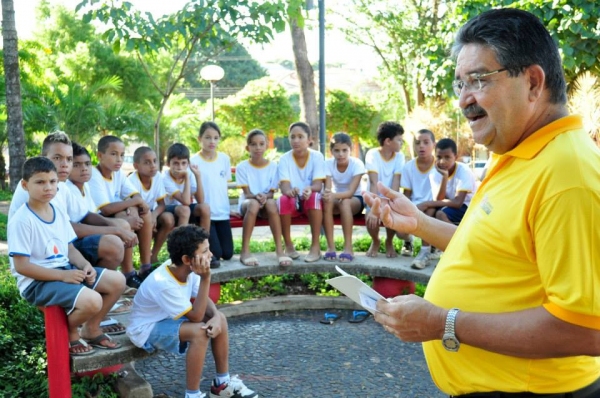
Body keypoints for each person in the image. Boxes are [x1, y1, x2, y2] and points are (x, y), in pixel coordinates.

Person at [364, 8, 600, 397]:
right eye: (460, 84)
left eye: (478, 80)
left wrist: (444, 323)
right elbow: (496, 252)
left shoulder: (567, 175)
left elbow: (587, 328)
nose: (463, 100)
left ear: (533, 82)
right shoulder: (516, 152)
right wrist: (420, 224)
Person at [8, 157, 126, 356]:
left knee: (117, 281)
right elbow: (22, 267)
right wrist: (63, 277)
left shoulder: (57, 211)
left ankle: (91, 328)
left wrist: (84, 265)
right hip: (36, 283)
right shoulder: (22, 220)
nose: (48, 188)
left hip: (65, 270)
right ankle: (70, 331)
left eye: (53, 182)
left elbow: (69, 247)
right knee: (93, 301)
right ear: (25, 185)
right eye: (40, 182)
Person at [126, 225, 258, 398]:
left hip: (167, 317)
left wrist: (217, 316)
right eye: (205, 251)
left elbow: (202, 299)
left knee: (221, 319)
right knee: (200, 333)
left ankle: (222, 384)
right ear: (187, 259)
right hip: (145, 329)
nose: (210, 255)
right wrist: (206, 278)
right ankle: (193, 394)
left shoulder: (187, 268)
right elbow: (196, 317)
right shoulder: (163, 283)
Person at [8, 132, 125, 271]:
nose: (64, 164)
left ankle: (97, 280)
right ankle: (87, 286)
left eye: (69, 159)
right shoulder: (38, 187)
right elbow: (69, 228)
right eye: (57, 158)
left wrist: (116, 225)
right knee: (113, 244)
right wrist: (115, 230)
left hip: (60, 247)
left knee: (120, 228)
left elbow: (84, 215)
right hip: (42, 260)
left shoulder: (61, 186)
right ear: (43, 158)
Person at [88, 135, 152, 289]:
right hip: (97, 220)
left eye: (122, 155)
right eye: (113, 154)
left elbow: (135, 195)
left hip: (114, 215)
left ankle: (145, 267)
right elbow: (106, 208)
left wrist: (133, 208)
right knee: (125, 220)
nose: (119, 159)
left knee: (146, 215)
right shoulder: (93, 175)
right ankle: (128, 273)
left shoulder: (118, 174)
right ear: (100, 155)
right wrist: (133, 204)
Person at [235, 129, 289, 267]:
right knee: (253, 204)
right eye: (253, 144)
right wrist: (256, 196)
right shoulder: (242, 167)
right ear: (248, 148)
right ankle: (245, 251)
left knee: (272, 203)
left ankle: (279, 250)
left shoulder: (273, 166)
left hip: (265, 203)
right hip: (248, 204)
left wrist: (265, 196)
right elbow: (246, 194)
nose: (257, 147)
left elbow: (271, 193)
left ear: (266, 145)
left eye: (261, 144)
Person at [277, 121, 326, 263]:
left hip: (309, 200)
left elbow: (318, 184)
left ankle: (315, 247)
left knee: (315, 197)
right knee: (282, 200)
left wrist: (309, 189)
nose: (296, 140)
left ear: (309, 140)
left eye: (300, 136)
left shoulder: (317, 156)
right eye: (292, 137)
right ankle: (288, 245)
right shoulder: (284, 158)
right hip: (293, 201)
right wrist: (290, 191)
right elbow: (284, 186)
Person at [190, 122, 234, 269]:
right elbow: (194, 191)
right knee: (217, 253)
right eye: (208, 137)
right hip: (206, 215)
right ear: (199, 138)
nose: (212, 141)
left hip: (222, 213)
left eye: (216, 138)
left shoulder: (224, 159)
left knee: (227, 253)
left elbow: (223, 186)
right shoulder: (193, 162)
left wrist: (228, 208)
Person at [322, 132, 366, 262]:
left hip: (355, 200)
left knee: (345, 202)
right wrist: (329, 195)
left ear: (350, 150)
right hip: (337, 199)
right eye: (337, 150)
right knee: (327, 202)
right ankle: (331, 247)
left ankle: (348, 247)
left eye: (344, 150)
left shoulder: (357, 164)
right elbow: (328, 188)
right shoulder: (328, 164)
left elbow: (351, 192)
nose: (340, 154)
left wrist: (333, 195)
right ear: (331, 151)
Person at [364, 121, 405, 258]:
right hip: (374, 195)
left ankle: (389, 241)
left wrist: (387, 203)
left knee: (391, 210)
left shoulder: (400, 157)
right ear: (388, 141)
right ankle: (375, 241)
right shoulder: (372, 154)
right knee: (371, 215)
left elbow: (395, 184)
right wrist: (375, 207)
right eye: (399, 140)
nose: (401, 143)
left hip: (390, 196)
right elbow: (373, 183)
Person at [128, 146, 174, 267]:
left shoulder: (157, 176)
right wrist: (149, 220)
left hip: (151, 213)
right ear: (136, 166)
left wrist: (153, 216)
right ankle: (138, 264)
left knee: (168, 219)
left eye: (154, 161)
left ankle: (153, 255)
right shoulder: (131, 180)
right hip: (136, 216)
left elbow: (162, 205)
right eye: (147, 162)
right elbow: (133, 207)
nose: (153, 165)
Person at [400, 129, 438, 269]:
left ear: (433, 145)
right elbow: (406, 194)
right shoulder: (408, 167)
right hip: (415, 205)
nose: (421, 146)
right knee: (400, 231)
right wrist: (404, 209)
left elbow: (442, 195)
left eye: (426, 142)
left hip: (434, 204)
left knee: (428, 213)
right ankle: (408, 241)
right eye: (417, 143)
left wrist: (427, 204)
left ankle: (425, 252)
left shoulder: (439, 165)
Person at [417, 138, 476, 227]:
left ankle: (458, 239)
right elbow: (439, 199)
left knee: (440, 214)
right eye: (439, 157)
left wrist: (427, 203)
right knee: (429, 213)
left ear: (455, 157)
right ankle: (429, 241)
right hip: (450, 205)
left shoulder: (464, 171)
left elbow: (457, 202)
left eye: (447, 157)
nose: (442, 161)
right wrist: (444, 177)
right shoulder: (434, 173)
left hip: (468, 206)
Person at [162, 143, 211, 234]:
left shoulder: (189, 173)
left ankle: (205, 242)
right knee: (185, 209)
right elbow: (186, 201)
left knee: (205, 207)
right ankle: (181, 245)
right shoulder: (165, 178)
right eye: (176, 163)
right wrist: (186, 177)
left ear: (188, 163)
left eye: (183, 163)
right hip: (168, 210)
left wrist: (197, 176)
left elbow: (201, 200)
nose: (180, 167)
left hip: (184, 211)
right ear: (168, 164)